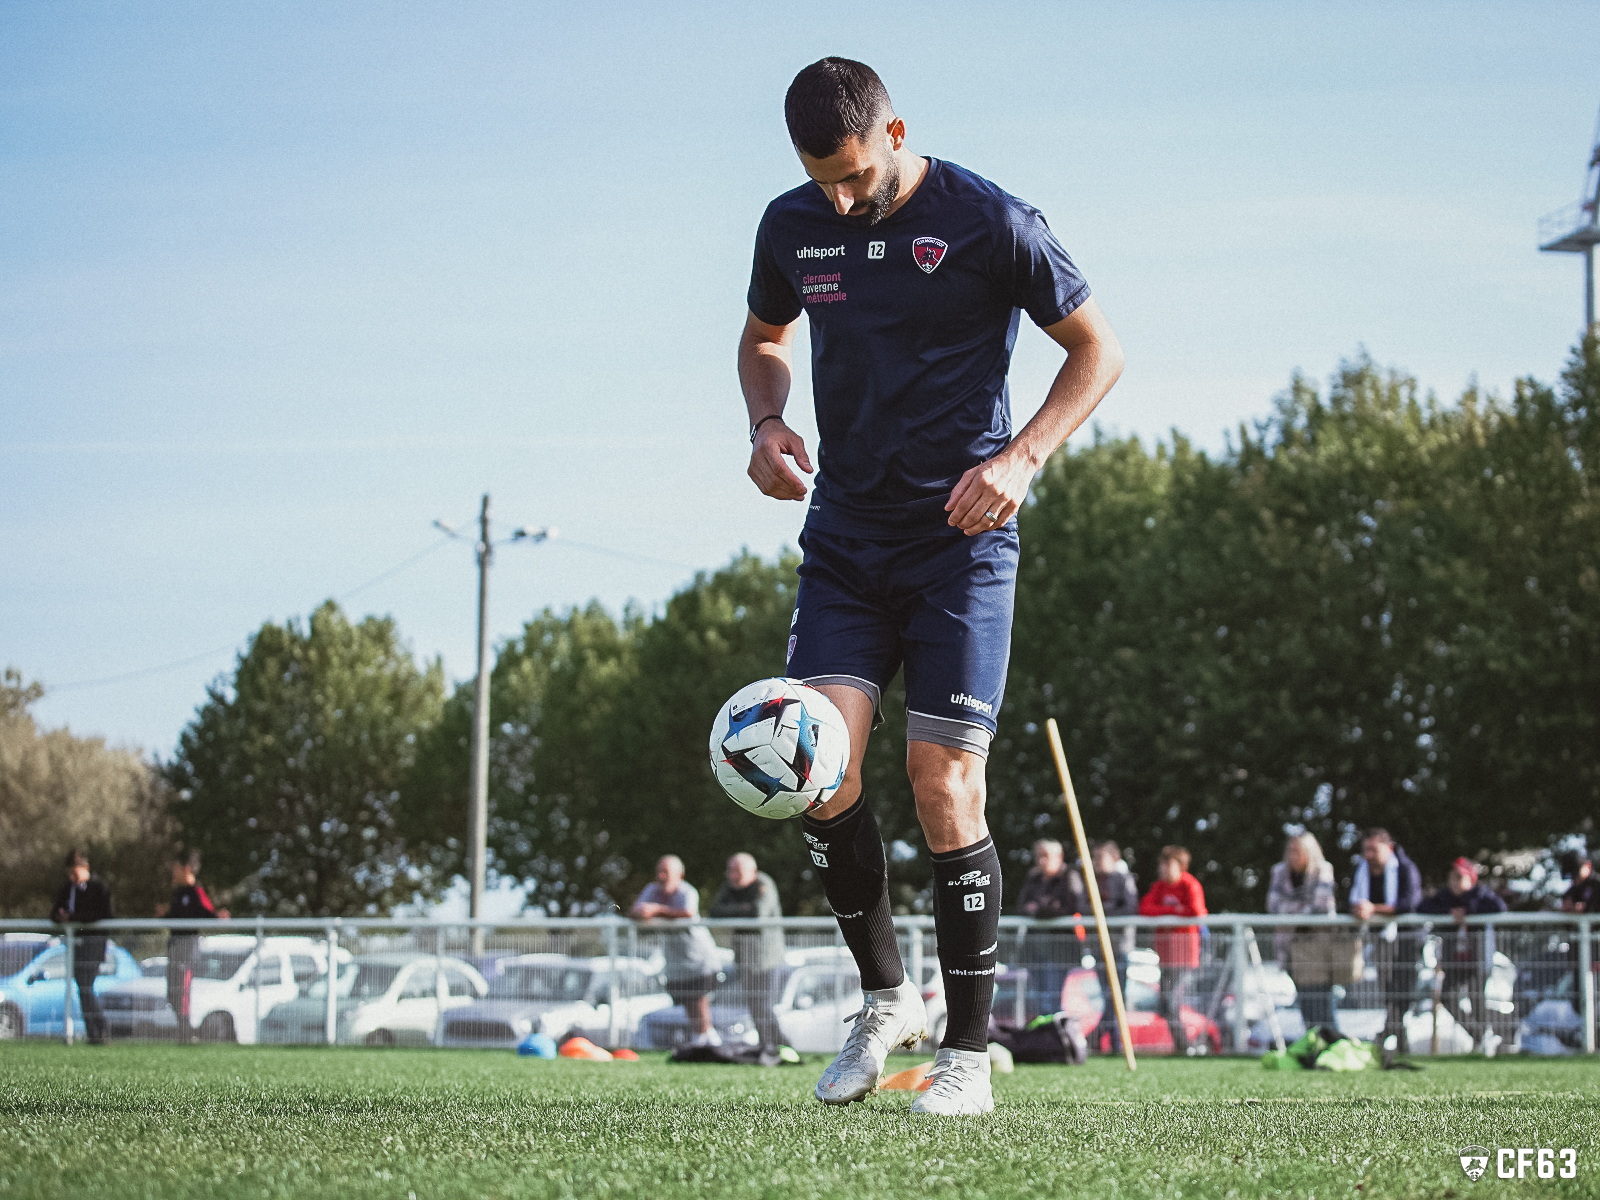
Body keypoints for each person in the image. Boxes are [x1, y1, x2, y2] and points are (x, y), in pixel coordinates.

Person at [740, 57, 1122, 1115]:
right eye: (822, 180)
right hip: (846, 542)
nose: (841, 200)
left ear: (897, 130)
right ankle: (884, 1002)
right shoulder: (789, 226)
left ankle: (965, 1059)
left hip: (963, 540)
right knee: (818, 771)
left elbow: (1098, 350)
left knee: (941, 782)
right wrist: (766, 423)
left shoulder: (991, 218)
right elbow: (764, 338)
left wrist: (1022, 457)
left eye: (855, 176)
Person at [1418, 857, 1507, 1054]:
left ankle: (1485, 1042)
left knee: (1477, 1000)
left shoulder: (1481, 895)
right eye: (1452, 877)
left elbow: (1499, 907)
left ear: (1471, 879)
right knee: (1447, 996)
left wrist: (1468, 912)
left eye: (1459, 877)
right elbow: (1423, 907)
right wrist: (1450, 912)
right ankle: (1479, 1035)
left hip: (1478, 959)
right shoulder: (1445, 897)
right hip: (1454, 959)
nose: (1454, 882)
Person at [631, 856, 724, 1047]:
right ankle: (700, 1039)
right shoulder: (652, 890)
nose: (661, 876)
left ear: (679, 875)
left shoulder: (687, 891)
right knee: (688, 1000)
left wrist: (656, 910)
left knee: (699, 998)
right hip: (675, 961)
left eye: (666, 872)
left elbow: (687, 913)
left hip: (699, 958)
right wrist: (640, 912)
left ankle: (710, 1040)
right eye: (659, 871)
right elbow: (636, 911)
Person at [1348, 828, 1423, 1049]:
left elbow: (1409, 903)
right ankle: (1400, 1041)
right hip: (1380, 938)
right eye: (1366, 850)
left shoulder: (1405, 868)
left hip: (1407, 937)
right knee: (1389, 990)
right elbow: (1351, 900)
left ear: (1388, 848)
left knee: (1403, 990)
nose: (1368, 855)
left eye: (1374, 850)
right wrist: (1359, 909)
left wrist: (1374, 909)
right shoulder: (1361, 871)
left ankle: (1387, 1035)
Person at [709, 853, 785, 1051]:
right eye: (731, 871)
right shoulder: (729, 888)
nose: (733, 876)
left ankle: (779, 1047)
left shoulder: (764, 883)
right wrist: (742, 908)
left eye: (738, 871)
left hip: (766, 958)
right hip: (744, 956)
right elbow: (715, 911)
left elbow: (756, 913)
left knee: (764, 1006)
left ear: (753, 871)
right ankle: (770, 1046)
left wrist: (736, 911)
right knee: (754, 1005)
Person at [1266, 832, 1340, 1030]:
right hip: (1289, 947)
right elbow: (1273, 905)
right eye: (1290, 850)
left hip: (1318, 949)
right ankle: (1313, 1042)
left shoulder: (1323, 869)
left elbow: (1320, 907)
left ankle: (1328, 1044)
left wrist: (1291, 912)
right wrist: (1301, 912)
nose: (1293, 855)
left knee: (1320, 1000)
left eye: (1298, 851)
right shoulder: (1279, 871)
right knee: (1304, 1000)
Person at [1138, 846, 1206, 1055]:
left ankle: (1186, 1045)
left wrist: (1168, 915)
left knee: (1171, 1002)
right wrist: (1172, 911)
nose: (1164, 869)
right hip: (1165, 954)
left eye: (1168, 865)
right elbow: (1145, 909)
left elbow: (1196, 911)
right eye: (1162, 864)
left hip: (1185, 954)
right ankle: (1183, 1046)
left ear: (1181, 867)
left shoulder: (1189, 885)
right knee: (1165, 1004)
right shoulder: (1159, 887)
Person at [1079, 840, 1140, 1055]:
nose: (1095, 862)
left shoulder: (1125, 879)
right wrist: (1107, 909)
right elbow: (1084, 906)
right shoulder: (1091, 880)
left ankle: (1104, 1038)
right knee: (1106, 995)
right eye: (1094, 858)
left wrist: (1103, 911)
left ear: (1114, 858)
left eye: (1099, 858)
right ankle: (1106, 1039)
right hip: (1098, 947)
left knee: (1117, 995)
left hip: (1119, 946)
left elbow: (1130, 907)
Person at [49, 849, 113, 1045]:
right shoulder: (68, 889)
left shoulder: (98, 888)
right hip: (75, 945)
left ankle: (100, 1028)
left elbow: (104, 913)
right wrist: (60, 917)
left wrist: (75, 918)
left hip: (93, 945)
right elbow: (53, 912)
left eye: (75, 872)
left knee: (86, 986)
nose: (72, 877)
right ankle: (94, 1032)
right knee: (82, 987)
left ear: (85, 868)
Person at [159, 853, 225, 1043]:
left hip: (188, 949)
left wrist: (217, 917)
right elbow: (174, 920)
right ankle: (184, 1030)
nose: (174, 872)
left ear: (186, 868)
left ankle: (187, 1034)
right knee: (172, 993)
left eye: (176, 868)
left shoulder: (196, 892)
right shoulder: (177, 894)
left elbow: (208, 913)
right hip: (174, 948)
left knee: (182, 992)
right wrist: (164, 916)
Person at [1015, 840, 1077, 1019]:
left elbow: (1071, 905)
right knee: (1040, 1001)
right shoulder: (1033, 878)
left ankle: (1056, 1038)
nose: (1041, 861)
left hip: (1059, 950)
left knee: (1053, 1000)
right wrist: (1047, 907)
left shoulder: (1069, 877)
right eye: (1039, 856)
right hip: (1034, 950)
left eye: (1046, 856)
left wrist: (1041, 909)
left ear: (1059, 857)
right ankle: (1044, 1040)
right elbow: (1022, 906)